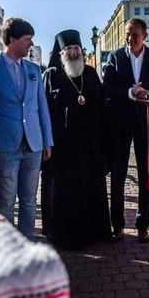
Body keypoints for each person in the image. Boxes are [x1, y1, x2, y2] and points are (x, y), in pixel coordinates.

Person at [0, 18, 53, 239]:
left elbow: (42, 108)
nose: (30, 44)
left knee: (30, 199)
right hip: (4, 147)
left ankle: (27, 244)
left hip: (33, 145)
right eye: (27, 39)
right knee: (5, 201)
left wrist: (47, 140)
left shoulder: (33, 69)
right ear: (12, 40)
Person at [42, 30, 111, 248]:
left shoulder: (90, 73)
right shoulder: (52, 74)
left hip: (89, 146)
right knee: (65, 192)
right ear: (61, 53)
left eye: (76, 49)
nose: (73, 52)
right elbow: (44, 110)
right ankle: (65, 236)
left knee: (91, 188)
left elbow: (102, 107)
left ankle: (94, 232)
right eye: (68, 49)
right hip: (62, 147)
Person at [102, 18, 149, 243]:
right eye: (128, 34)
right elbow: (107, 88)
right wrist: (130, 93)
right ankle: (118, 225)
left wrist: (147, 95)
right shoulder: (115, 57)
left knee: (145, 174)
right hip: (120, 123)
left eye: (135, 34)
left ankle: (143, 225)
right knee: (119, 175)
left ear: (145, 36)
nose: (130, 39)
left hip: (146, 121)